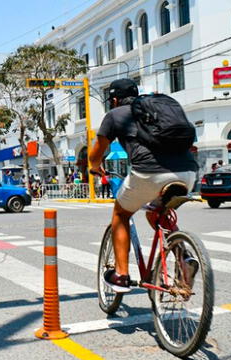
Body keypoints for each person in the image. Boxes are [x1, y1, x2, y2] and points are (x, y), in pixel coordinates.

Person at [88, 78, 198, 293]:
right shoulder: (159, 112)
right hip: (187, 172)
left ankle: (121, 275)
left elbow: (96, 152)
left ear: (115, 99)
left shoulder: (114, 116)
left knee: (121, 215)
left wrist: (94, 167)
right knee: (156, 213)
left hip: (149, 173)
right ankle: (183, 257)